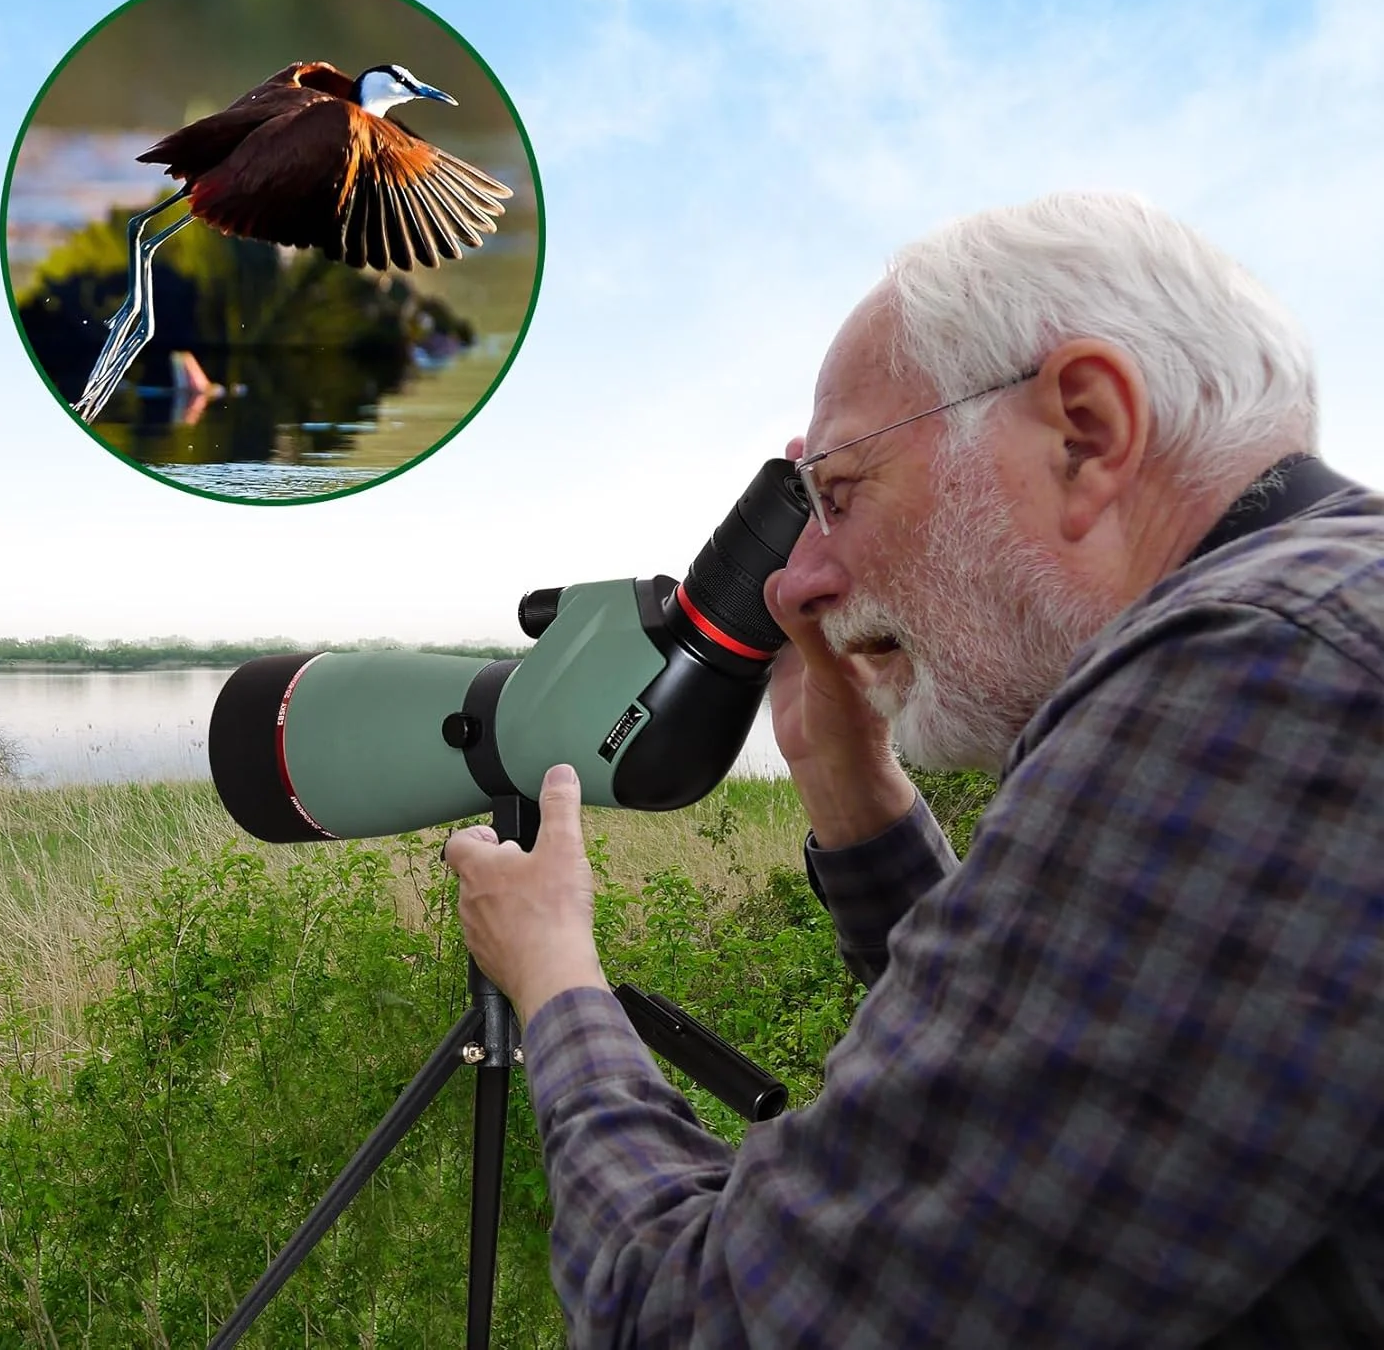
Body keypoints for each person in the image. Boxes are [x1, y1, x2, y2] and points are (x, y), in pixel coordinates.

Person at [445, 192, 1384, 1346]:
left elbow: (721, 1324)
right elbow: (1039, 1118)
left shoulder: (1257, 675)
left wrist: (553, 977)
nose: (795, 584)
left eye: (838, 494)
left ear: (1084, 434)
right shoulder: (1327, 629)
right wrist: (853, 793)